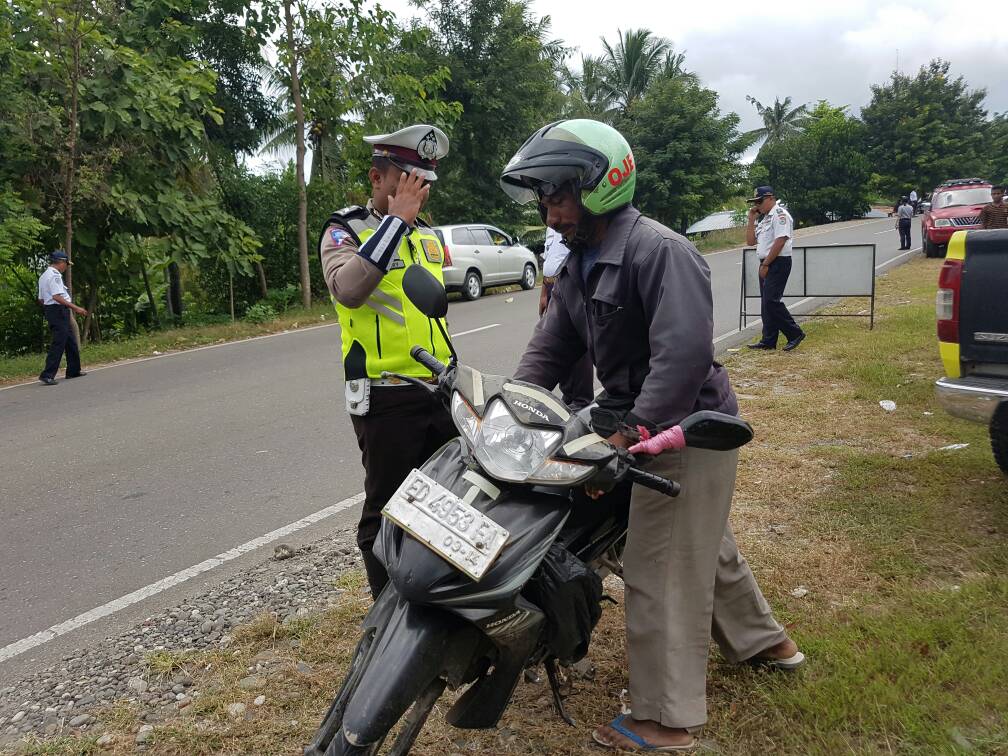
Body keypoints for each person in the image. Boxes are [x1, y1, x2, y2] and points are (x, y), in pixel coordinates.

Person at [500, 119, 804, 753]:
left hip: (686, 431)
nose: (551, 215)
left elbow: (683, 358)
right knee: (702, 546)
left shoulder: (659, 251)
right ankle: (767, 643)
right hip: (638, 423)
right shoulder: (582, 263)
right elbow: (551, 345)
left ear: (600, 186)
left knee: (659, 565)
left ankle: (665, 721)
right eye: (545, 201)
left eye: (558, 197)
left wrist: (632, 432)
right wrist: (511, 405)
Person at [317, 124, 457, 599]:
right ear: (378, 179)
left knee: (445, 502)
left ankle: (434, 600)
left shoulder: (429, 236)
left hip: (438, 388)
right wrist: (395, 223)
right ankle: (386, 616)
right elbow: (349, 290)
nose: (419, 192)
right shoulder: (345, 230)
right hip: (385, 392)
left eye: (425, 182)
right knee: (386, 510)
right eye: (408, 180)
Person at [745, 186, 805, 352]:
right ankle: (769, 340)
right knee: (766, 302)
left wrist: (766, 265)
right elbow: (750, 241)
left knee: (771, 300)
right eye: (755, 202)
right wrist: (751, 219)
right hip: (766, 261)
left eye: (760, 201)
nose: (757, 205)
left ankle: (794, 333)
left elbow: (780, 240)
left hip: (778, 261)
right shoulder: (765, 219)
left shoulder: (780, 215)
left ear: (770, 198)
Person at [539, 226, 594, 408]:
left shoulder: (573, 221)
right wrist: (543, 293)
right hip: (552, 285)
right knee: (554, 341)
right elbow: (550, 257)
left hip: (572, 283)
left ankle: (580, 401)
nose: (551, 217)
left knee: (573, 342)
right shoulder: (552, 225)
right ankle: (569, 398)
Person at [37, 250, 87, 386]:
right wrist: (75, 308)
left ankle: (73, 370)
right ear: (61, 262)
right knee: (59, 343)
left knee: (70, 340)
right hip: (58, 310)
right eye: (66, 264)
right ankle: (47, 374)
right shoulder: (55, 276)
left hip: (53, 310)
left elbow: (41, 299)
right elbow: (57, 296)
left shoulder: (44, 276)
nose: (66, 267)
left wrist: (49, 310)